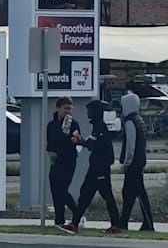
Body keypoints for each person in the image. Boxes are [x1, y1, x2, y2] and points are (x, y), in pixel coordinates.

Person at [59, 99, 120, 235]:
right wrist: (80, 141)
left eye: (89, 111)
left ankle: (115, 225)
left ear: (96, 112)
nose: (88, 113)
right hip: (96, 166)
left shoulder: (100, 126)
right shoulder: (98, 126)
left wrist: (80, 141)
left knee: (103, 195)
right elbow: (92, 142)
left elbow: (96, 145)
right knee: (87, 195)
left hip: (100, 167)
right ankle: (75, 223)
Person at [117, 93, 155, 232]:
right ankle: (124, 221)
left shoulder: (130, 122)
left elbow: (130, 146)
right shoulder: (139, 119)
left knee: (136, 193)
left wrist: (126, 163)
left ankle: (147, 224)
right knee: (130, 193)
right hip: (139, 162)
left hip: (133, 164)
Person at [47, 96, 80, 231]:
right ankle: (59, 220)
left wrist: (68, 134)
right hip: (55, 161)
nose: (68, 111)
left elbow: (75, 141)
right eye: (65, 108)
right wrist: (50, 152)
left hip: (68, 161)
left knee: (62, 190)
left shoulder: (73, 124)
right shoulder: (51, 125)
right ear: (58, 108)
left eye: (69, 109)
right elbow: (49, 142)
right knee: (55, 190)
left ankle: (78, 213)